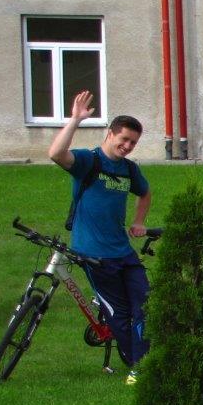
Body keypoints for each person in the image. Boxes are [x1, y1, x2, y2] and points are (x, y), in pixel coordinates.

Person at [47, 90, 152, 385]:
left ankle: (143, 361)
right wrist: (75, 120)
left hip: (123, 252)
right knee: (119, 312)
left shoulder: (129, 169)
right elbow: (56, 154)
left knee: (145, 305)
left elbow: (145, 193)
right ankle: (137, 365)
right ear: (110, 134)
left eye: (133, 143)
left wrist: (139, 221)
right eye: (124, 139)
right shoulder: (88, 161)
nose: (127, 146)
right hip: (93, 254)